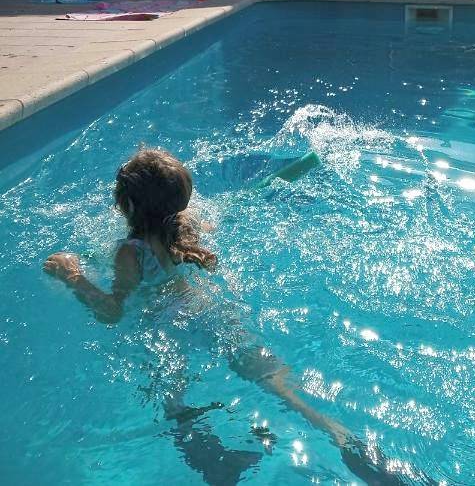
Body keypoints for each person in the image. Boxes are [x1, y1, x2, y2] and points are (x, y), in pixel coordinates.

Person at [44, 148, 430, 486]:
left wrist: (73, 275)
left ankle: (218, 463)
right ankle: (344, 440)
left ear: (126, 205)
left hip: (168, 327)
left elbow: (114, 311)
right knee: (283, 390)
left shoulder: (130, 251)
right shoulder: (186, 225)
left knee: (173, 401)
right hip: (209, 312)